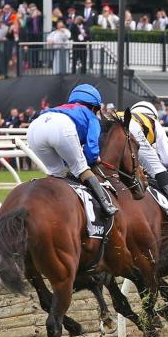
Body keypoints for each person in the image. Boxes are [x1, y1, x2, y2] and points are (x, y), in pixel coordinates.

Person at [28, 84, 117, 250]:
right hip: (61, 128)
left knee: (57, 174)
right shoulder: (91, 116)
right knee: (81, 169)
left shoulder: (61, 108)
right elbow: (91, 150)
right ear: (94, 106)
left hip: (35, 128)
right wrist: (91, 160)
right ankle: (107, 205)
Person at [123, 101, 168, 213]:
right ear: (154, 115)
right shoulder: (153, 122)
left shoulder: (124, 114)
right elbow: (167, 159)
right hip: (133, 129)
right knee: (158, 168)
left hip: (112, 122)